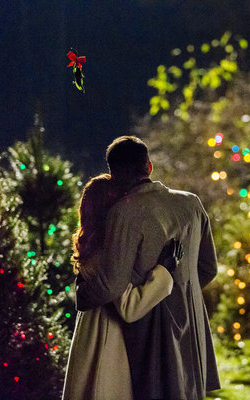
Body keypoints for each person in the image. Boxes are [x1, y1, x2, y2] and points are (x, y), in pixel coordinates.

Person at [75, 136, 220, 400]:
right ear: (149, 167)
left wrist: (82, 294)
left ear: (113, 173)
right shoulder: (192, 203)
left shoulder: (124, 213)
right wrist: (183, 294)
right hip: (192, 324)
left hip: (150, 330)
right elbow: (208, 268)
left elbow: (112, 284)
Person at [63, 174, 183, 400]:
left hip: (92, 337)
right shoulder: (106, 254)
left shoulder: (93, 247)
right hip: (106, 342)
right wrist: (164, 272)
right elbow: (129, 306)